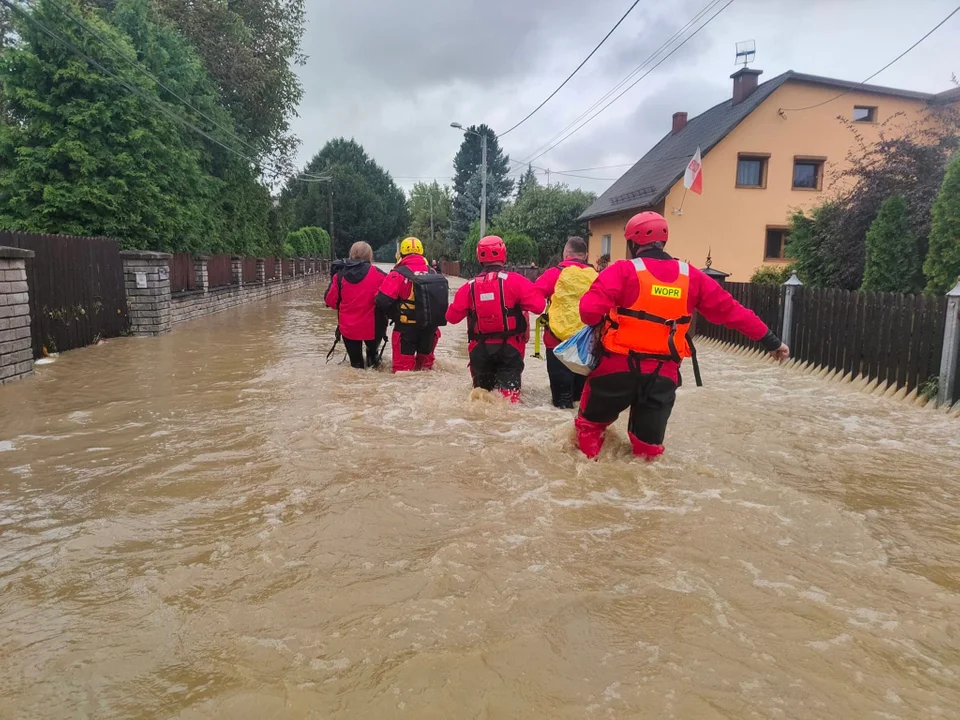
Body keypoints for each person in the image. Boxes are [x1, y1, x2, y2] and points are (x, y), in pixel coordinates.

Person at [576, 211, 790, 460]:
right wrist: (772, 342)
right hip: (662, 375)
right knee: (647, 450)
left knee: (589, 430)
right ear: (663, 241)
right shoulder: (692, 277)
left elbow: (588, 312)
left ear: (633, 243)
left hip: (616, 368)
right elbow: (733, 312)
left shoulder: (622, 270)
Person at [446, 235, 546, 402]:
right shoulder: (516, 281)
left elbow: (452, 317)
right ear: (503, 254)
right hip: (510, 350)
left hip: (480, 351)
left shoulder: (468, 286)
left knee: (481, 399)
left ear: (479, 257)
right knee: (508, 403)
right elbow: (539, 306)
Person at [534, 237, 598, 408]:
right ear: (585, 255)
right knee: (581, 400)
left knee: (561, 402)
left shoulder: (554, 273)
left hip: (556, 343)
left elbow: (533, 300)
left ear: (566, 254)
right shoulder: (597, 276)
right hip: (586, 345)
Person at [376, 237, 442, 373]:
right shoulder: (433, 272)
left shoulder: (397, 274)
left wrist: (393, 313)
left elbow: (382, 300)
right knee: (426, 370)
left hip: (406, 330)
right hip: (430, 330)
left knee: (403, 372)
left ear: (401, 254)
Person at [324, 241, 387, 369]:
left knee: (356, 365)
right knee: (374, 362)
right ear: (370, 256)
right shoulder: (380, 275)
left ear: (351, 255)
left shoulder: (340, 275)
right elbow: (388, 299)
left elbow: (331, 301)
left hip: (349, 329)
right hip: (374, 328)